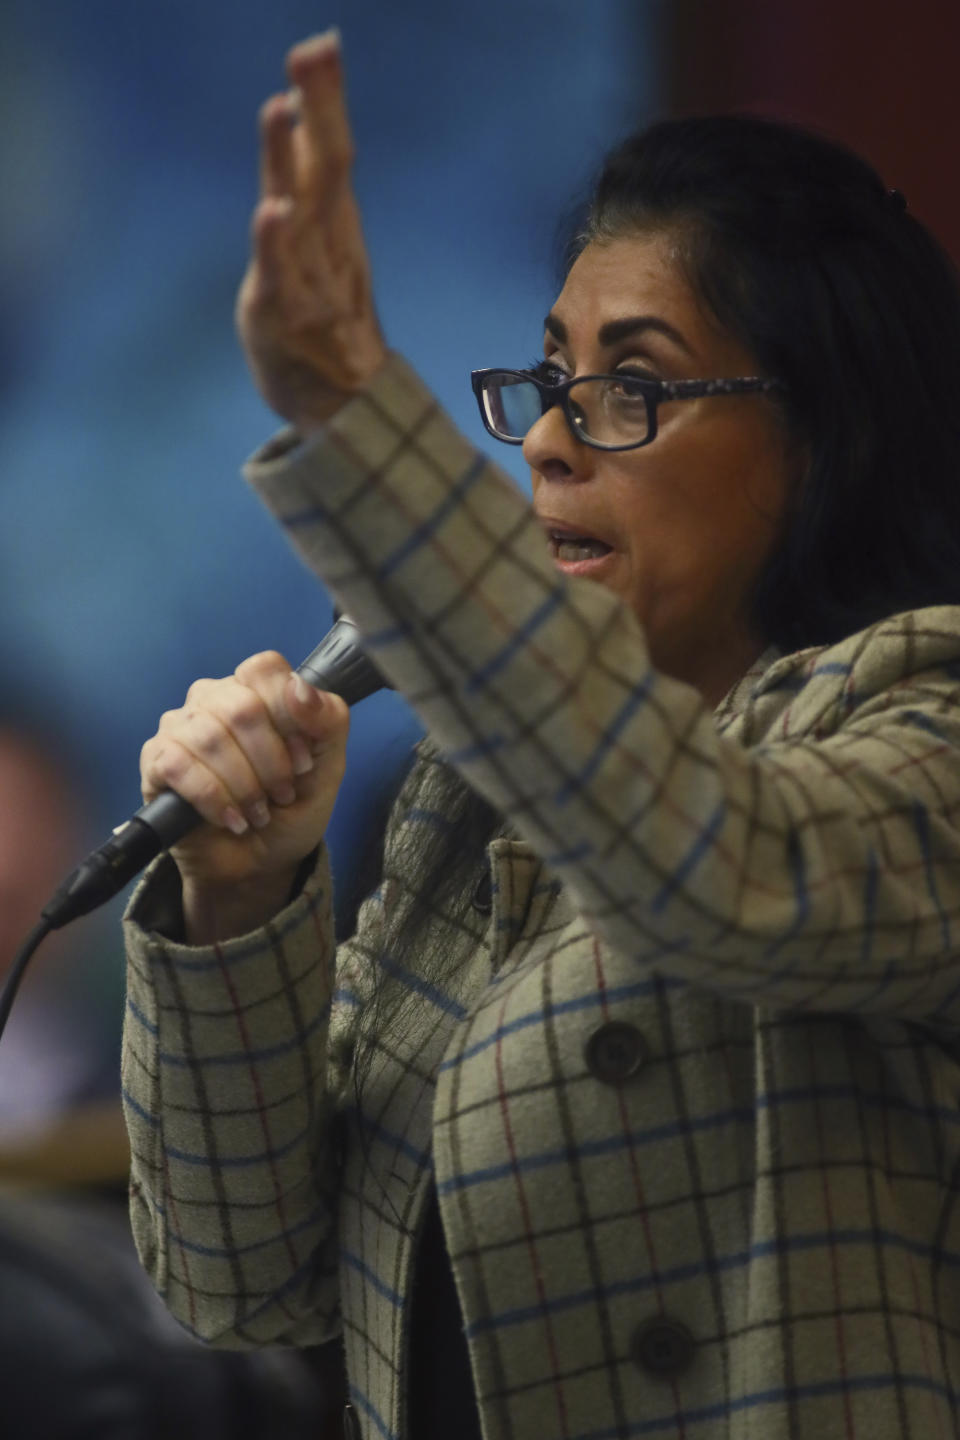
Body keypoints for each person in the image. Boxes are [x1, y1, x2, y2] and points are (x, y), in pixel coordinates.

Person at [121, 29, 960, 1440]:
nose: (552, 440)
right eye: (552, 376)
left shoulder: (926, 718)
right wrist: (239, 896)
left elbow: (724, 874)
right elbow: (243, 1292)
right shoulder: (463, 801)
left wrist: (348, 409)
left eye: (633, 383)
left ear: (829, 438)